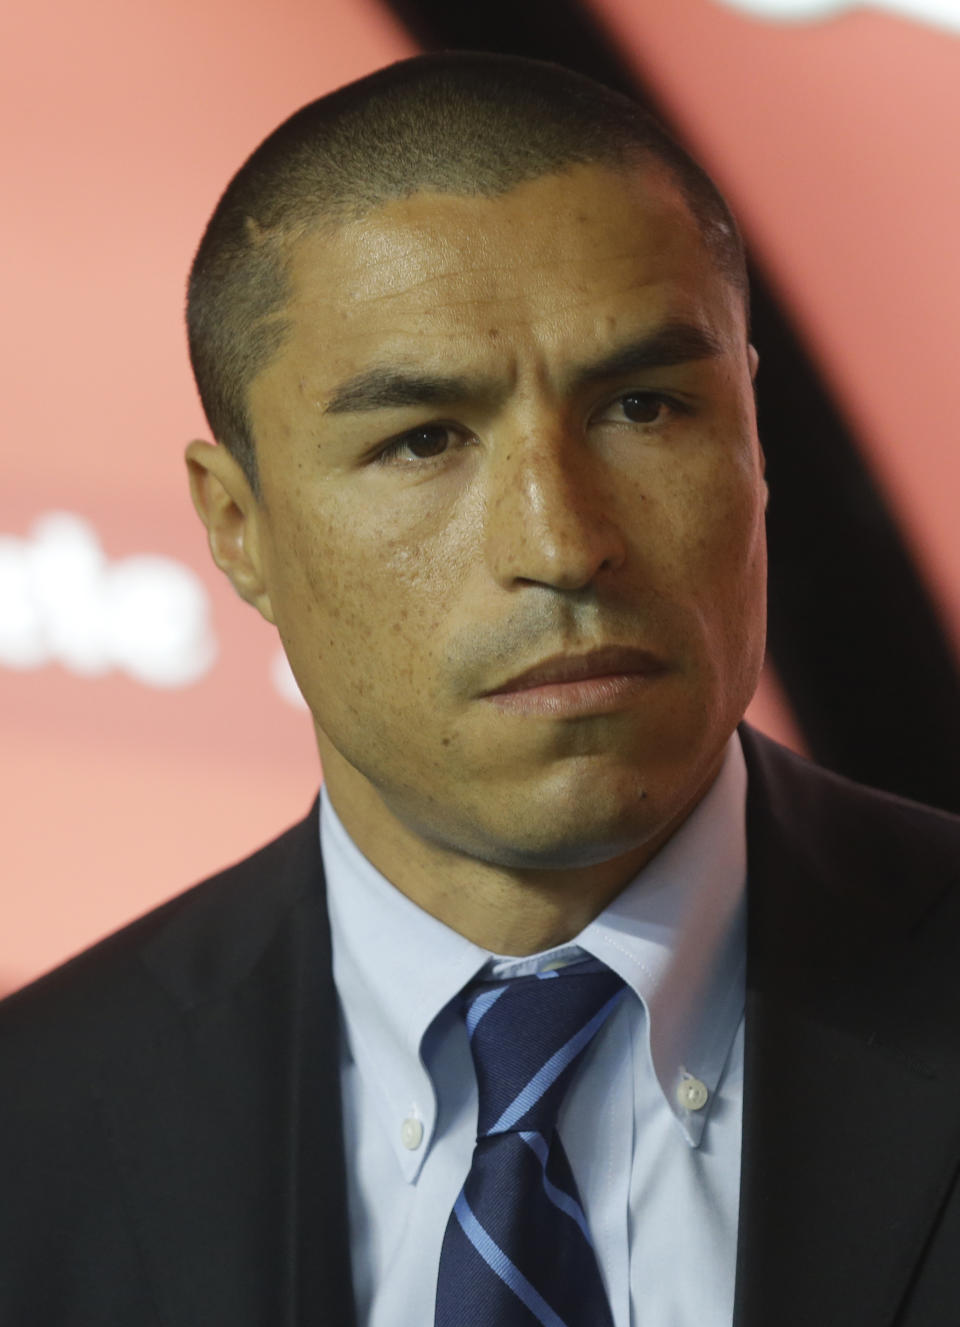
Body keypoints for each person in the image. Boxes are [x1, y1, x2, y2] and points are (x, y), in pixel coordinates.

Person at [2, 50, 958, 1327]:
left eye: (644, 407)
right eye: (423, 439)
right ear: (239, 527)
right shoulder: (35, 1133)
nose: (563, 542)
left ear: (754, 437)